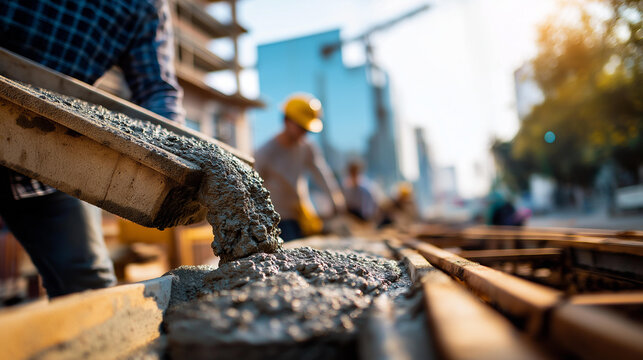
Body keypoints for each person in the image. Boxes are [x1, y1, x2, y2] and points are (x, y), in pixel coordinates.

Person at [0, 0, 184, 297]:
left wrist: (174, 155)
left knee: (89, 287)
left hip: (51, 155)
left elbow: (156, 89)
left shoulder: (143, 6)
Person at [254, 94, 345, 241]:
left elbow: (322, 173)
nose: (304, 132)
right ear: (286, 120)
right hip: (276, 220)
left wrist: (335, 197)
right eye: (301, 127)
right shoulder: (266, 152)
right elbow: (253, 187)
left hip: (301, 215)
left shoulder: (307, 148)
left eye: (306, 129)